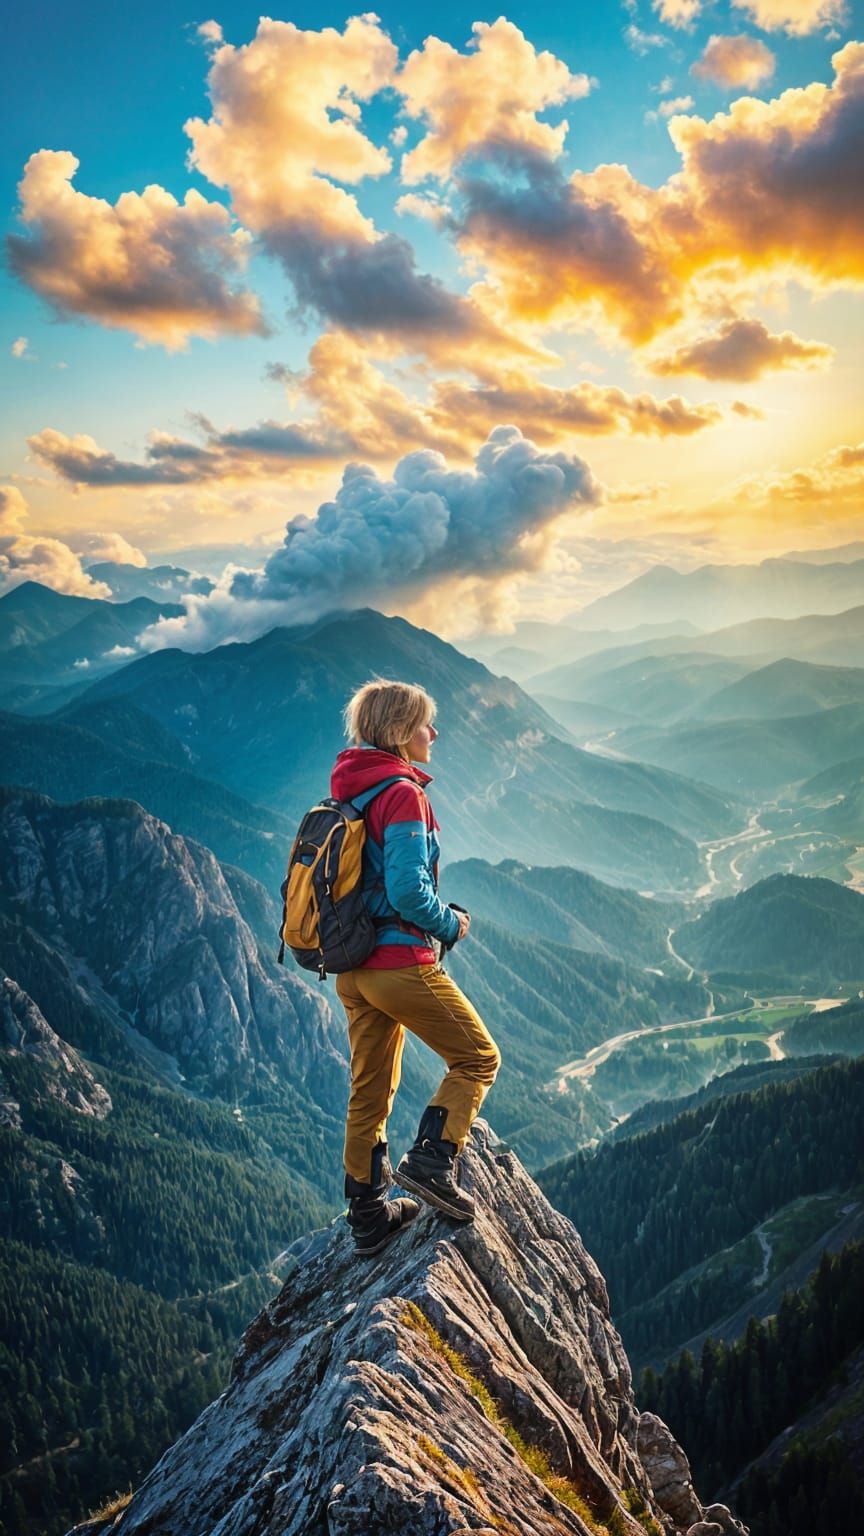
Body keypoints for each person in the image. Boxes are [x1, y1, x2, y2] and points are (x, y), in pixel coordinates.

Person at [331, 678, 501, 1257]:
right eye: (426, 723)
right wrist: (450, 924)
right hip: (398, 962)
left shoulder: (352, 791)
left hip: (353, 968)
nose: (435, 732)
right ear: (403, 731)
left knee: (369, 1091)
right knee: (478, 1058)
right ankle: (431, 1160)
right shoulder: (402, 793)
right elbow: (406, 889)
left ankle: (368, 1216)